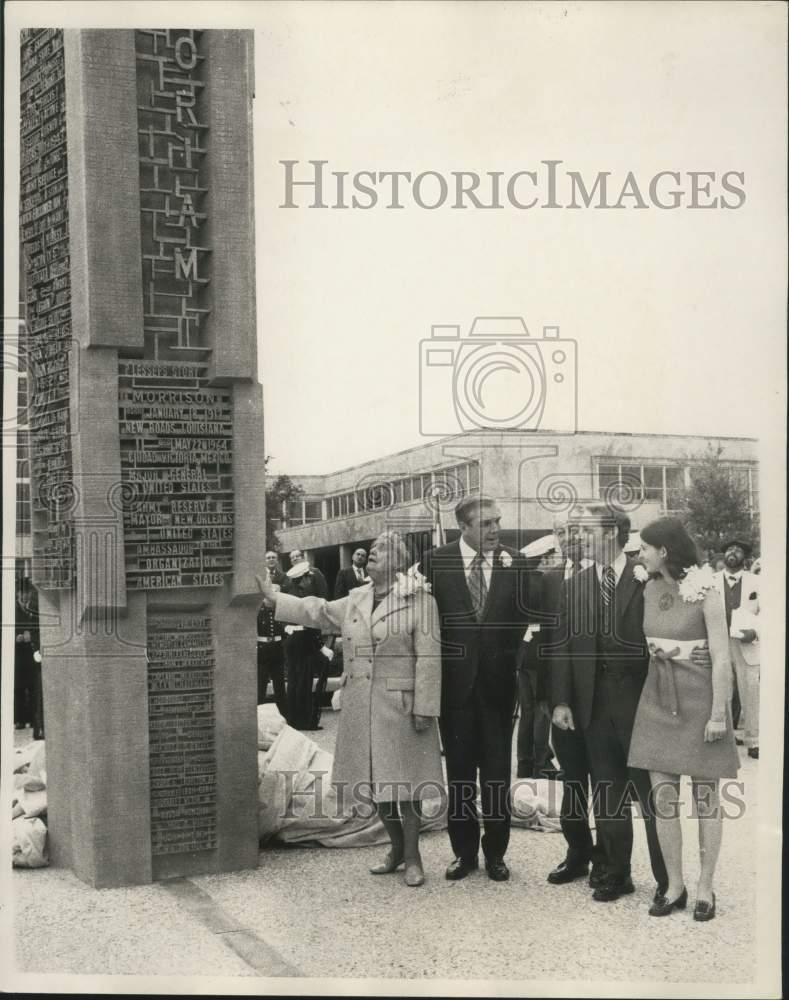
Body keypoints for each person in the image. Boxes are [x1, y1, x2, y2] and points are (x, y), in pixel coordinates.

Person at [257, 530, 443, 887]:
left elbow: (430, 658)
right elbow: (320, 611)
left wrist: (426, 707)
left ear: (399, 561)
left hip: (402, 706)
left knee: (407, 784)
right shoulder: (358, 596)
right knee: (375, 782)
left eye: (379, 550)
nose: (371, 554)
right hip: (362, 706)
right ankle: (397, 848)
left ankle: (414, 856)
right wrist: (272, 598)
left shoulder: (421, 600)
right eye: (370, 550)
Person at [551, 504, 671, 903]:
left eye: (586, 530)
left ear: (610, 533)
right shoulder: (576, 584)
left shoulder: (648, 576)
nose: (578, 536)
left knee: (652, 796)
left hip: (641, 702)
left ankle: (669, 882)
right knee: (608, 793)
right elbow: (563, 646)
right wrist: (562, 701)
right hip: (593, 704)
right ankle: (617, 874)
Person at [421, 494, 537, 883]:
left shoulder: (515, 562)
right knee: (459, 775)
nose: (495, 530)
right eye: (486, 524)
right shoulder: (435, 562)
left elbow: (526, 620)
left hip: (499, 688)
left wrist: (512, 665)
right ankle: (464, 853)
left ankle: (497, 854)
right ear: (464, 527)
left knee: (497, 775)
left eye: (497, 522)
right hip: (454, 690)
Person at [629, 518, 739, 921]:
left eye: (644, 548)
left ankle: (706, 887)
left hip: (700, 704)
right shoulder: (648, 587)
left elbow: (723, 656)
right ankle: (674, 885)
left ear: (664, 551)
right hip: (657, 700)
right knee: (664, 802)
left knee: (707, 802)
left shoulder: (707, 589)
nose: (639, 555)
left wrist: (717, 715)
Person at [539, 518, 607, 889]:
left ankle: (606, 859)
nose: (568, 538)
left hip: (603, 700)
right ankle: (577, 853)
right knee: (573, 782)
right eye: (561, 532)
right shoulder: (548, 580)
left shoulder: (607, 577)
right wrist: (548, 699)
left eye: (575, 531)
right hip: (563, 701)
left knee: (607, 782)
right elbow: (544, 643)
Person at [713, 540, 760, 760]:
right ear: (724, 555)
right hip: (719, 644)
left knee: (750, 692)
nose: (733, 552)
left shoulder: (757, 582)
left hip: (746, 644)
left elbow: (768, 613)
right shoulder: (710, 582)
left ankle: (754, 741)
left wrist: (756, 632)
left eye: (738, 549)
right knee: (723, 691)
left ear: (745, 557)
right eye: (729, 549)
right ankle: (726, 740)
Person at [515, 534, 557, 780]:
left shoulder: (524, 582)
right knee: (542, 712)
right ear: (547, 558)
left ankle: (525, 764)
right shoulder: (544, 583)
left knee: (527, 713)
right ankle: (541, 764)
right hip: (540, 653)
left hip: (524, 653)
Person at [14, 579, 42, 738]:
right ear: (17, 594)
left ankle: (33, 719)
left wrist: (30, 637)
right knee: (18, 688)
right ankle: (19, 719)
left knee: (33, 687)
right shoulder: (13, 611)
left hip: (32, 654)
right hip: (18, 655)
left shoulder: (34, 608)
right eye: (21, 593)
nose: (24, 597)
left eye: (27, 593)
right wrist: (16, 638)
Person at [256, 584, 288, 716]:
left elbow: (286, 630)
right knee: (260, 684)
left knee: (280, 685)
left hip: (278, 649)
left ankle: (284, 715)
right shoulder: (258, 610)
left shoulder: (281, 611)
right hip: (262, 650)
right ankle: (260, 716)